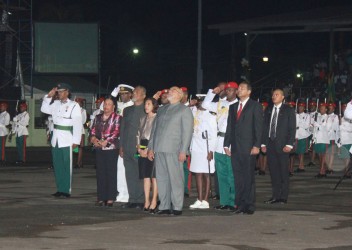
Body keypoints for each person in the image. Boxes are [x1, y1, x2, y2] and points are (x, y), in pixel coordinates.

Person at [147, 86, 193, 216]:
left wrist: (184, 150)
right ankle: (164, 206)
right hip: (159, 148)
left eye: (172, 91)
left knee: (175, 179)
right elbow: (154, 131)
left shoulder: (184, 110)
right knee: (162, 179)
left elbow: (187, 132)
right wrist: (151, 148)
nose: (168, 93)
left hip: (174, 149)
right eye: (169, 91)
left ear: (179, 95)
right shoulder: (162, 110)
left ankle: (177, 206)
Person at [224, 81, 263, 215]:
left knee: (248, 177)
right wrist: (226, 144)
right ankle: (239, 204)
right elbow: (230, 127)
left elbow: (259, 127)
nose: (238, 90)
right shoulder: (233, 107)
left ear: (249, 91)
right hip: (235, 147)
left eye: (241, 88)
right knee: (238, 177)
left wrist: (257, 145)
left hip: (249, 147)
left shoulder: (255, 106)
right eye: (238, 88)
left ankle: (249, 205)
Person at [41, 83, 82, 198]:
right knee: (57, 164)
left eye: (61, 91)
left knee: (66, 165)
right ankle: (60, 189)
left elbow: (77, 123)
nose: (59, 93)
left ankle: (66, 190)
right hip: (56, 138)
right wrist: (49, 96)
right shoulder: (55, 104)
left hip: (67, 138)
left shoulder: (74, 105)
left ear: (67, 92)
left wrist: (76, 141)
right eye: (58, 91)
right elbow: (44, 109)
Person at [202, 81, 238, 211]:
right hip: (218, 141)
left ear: (236, 92)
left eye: (230, 90)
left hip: (232, 143)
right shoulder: (221, 104)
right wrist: (214, 91)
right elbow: (205, 104)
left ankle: (234, 202)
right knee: (221, 174)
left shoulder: (239, 105)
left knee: (232, 174)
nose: (228, 92)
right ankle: (224, 201)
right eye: (226, 90)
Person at [261, 89, 296, 204]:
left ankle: (283, 197)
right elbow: (265, 127)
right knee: (274, 172)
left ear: (282, 97)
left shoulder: (289, 110)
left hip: (283, 145)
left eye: (276, 94)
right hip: (270, 144)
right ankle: (275, 196)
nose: (273, 96)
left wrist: (289, 144)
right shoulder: (269, 109)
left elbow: (292, 128)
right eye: (273, 95)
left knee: (283, 171)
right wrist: (263, 143)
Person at [90, 97, 121, 207]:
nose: (106, 106)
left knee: (110, 172)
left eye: (108, 104)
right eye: (105, 104)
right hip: (99, 147)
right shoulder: (98, 117)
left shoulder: (117, 118)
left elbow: (116, 132)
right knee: (100, 173)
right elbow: (93, 130)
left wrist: (106, 141)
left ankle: (110, 198)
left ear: (113, 107)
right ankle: (101, 197)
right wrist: (93, 139)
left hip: (111, 148)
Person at [119, 85, 146, 208]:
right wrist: (121, 146)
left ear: (143, 96)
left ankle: (140, 200)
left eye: (137, 92)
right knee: (129, 173)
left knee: (139, 173)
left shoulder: (146, 109)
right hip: (127, 146)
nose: (134, 93)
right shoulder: (127, 110)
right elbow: (123, 129)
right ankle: (132, 198)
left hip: (139, 147)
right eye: (134, 92)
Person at [189, 96, 217, 209]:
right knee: (197, 173)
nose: (200, 104)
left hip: (206, 148)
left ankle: (206, 200)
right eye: (199, 102)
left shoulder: (211, 117)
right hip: (196, 147)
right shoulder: (195, 114)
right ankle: (199, 199)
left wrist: (211, 151)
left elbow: (214, 135)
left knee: (206, 174)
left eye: (202, 102)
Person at [111, 84, 134, 203]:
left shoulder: (133, 106)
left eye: (125, 93)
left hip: (127, 139)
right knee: (118, 168)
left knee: (127, 168)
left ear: (131, 94)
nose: (123, 96)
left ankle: (128, 192)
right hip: (116, 138)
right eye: (121, 94)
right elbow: (104, 106)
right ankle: (121, 192)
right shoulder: (119, 105)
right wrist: (113, 94)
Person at [136, 97, 158, 213]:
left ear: (154, 105)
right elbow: (138, 134)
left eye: (148, 104)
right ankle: (146, 201)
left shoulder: (157, 119)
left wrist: (149, 149)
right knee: (145, 176)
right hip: (142, 146)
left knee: (154, 176)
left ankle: (154, 201)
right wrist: (139, 148)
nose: (146, 106)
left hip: (152, 147)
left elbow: (156, 135)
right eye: (145, 104)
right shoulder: (143, 118)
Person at [313, 103, 330, 178]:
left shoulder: (328, 117)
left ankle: (321, 171)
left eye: (323, 108)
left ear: (326, 109)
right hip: (317, 139)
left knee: (323, 155)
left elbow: (327, 128)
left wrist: (318, 125)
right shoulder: (318, 116)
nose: (321, 109)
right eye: (320, 108)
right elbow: (314, 127)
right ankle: (322, 170)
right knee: (319, 155)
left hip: (324, 139)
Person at [294, 102, 311, 173]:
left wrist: (299, 124)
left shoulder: (307, 115)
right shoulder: (295, 115)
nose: (300, 108)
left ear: (304, 108)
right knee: (297, 151)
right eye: (299, 107)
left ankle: (301, 166)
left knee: (302, 151)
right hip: (296, 134)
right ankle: (301, 166)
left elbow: (306, 125)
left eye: (301, 107)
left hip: (303, 134)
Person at [325, 103, 340, 174]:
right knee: (326, 152)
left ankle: (330, 168)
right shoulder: (325, 116)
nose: (329, 109)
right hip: (325, 137)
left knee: (331, 152)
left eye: (330, 108)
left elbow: (335, 127)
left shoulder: (335, 116)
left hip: (332, 136)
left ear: (333, 109)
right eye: (328, 107)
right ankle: (328, 166)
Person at [74, 98, 87, 169]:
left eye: (78, 103)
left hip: (80, 130)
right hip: (73, 130)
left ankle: (78, 163)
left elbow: (84, 121)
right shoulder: (72, 110)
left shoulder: (83, 111)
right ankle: (80, 162)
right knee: (74, 147)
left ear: (81, 103)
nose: (77, 104)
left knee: (80, 147)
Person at [258, 101, 269, 175]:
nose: (263, 108)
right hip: (259, 136)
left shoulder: (268, 115)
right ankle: (261, 168)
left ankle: (264, 168)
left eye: (264, 106)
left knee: (265, 153)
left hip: (266, 135)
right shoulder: (258, 115)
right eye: (262, 106)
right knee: (260, 153)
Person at [0, 101, 10, 166]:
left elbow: (6, 124)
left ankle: (3, 159)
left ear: (5, 107)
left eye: (2, 106)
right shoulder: (1, 114)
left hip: (3, 132)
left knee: (2, 147)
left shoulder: (7, 114)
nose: (0, 107)